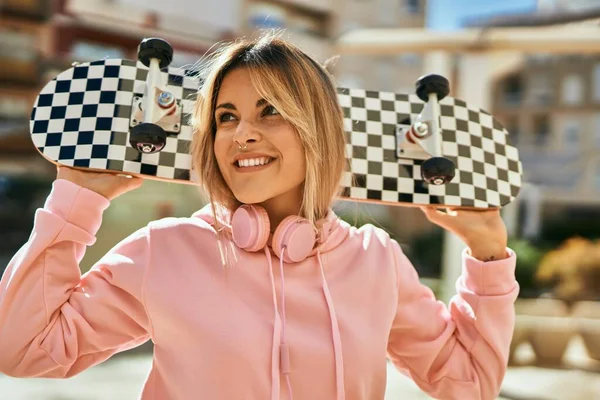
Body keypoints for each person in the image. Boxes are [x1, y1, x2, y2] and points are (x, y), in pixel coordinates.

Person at [0, 32, 518, 400]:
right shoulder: (166, 250)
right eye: (227, 117)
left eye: (271, 110)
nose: (243, 133)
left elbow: (469, 384)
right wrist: (74, 201)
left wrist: (489, 256)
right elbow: (23, 350)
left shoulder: (375, 260)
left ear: (320, 130)